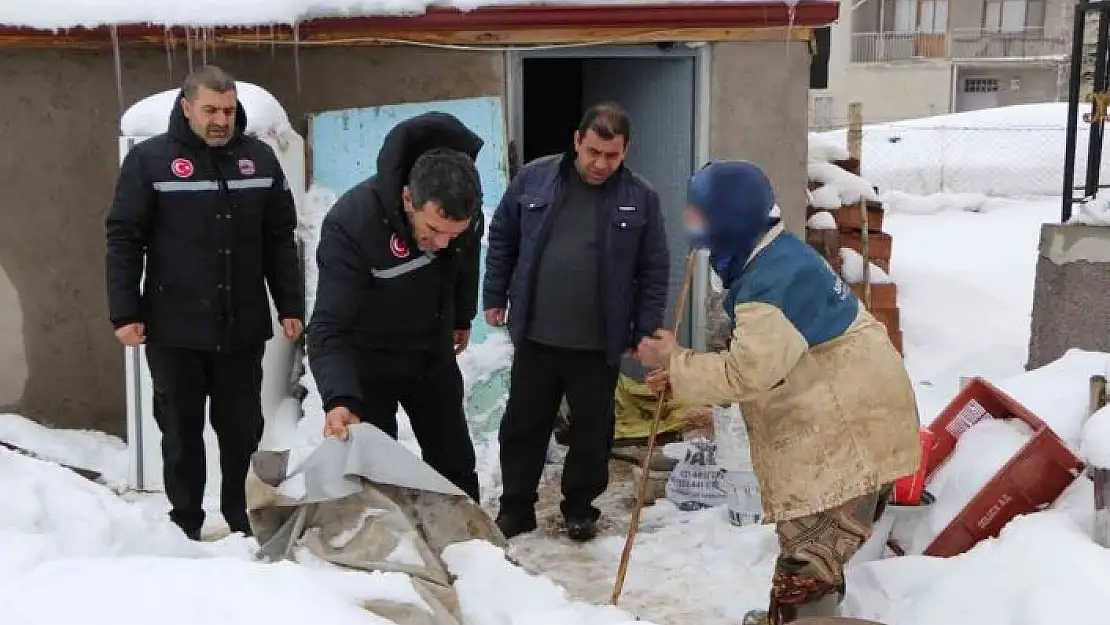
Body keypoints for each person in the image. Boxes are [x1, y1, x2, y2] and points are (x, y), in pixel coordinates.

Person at [636, 161, 921, 625]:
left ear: (728, 218)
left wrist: (675, 361)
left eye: (699, 212)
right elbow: (765, 359)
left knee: (807, 565)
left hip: (847, 436)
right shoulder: (776, 258)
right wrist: (685, 374)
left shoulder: (772, 281)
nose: (690, 221)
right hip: (848, 422)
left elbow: (747, 372)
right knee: (812, 555)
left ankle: (799, 619)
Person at [105, 65, 305, 540]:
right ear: (187, 107)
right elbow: (124, 238)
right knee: (180, 433)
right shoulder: (150, 162)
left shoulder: (258, 160)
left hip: (242, 327)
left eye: (229, 110)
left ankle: (240, 520)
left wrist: (290, 305)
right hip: (174, 329)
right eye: (211, 110)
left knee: (241, 431)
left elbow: (279, 238)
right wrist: (125, 311)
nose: (221, 120)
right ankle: (185, 523)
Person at [483, 102, 670, 542]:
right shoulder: (534, 179)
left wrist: (644, 329)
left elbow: (654, 268)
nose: (600, 164)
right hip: (536, 334)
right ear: (576, 142)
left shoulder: (640, 199)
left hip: (597, 343)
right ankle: (516, 509)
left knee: (592, 431)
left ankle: (580, 508)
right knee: (524, 424)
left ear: (625, 152)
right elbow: (504, 237)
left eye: (612, 156)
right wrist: (494, 295)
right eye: (593, 152)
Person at [306, 112, 485, 502]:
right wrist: (339, 398)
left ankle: (469, 547)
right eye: (433, 231)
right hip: (370, 362)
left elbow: (465, 263)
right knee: (376, 476)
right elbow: (327, 327)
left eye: (453, 234)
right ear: (408, 197)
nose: (442, 243)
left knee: (453, 463)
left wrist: (460, 316)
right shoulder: (352, 225)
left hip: (431, 356)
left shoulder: (464, 219)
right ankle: (388, 555)